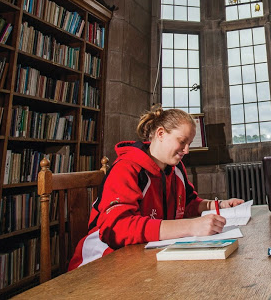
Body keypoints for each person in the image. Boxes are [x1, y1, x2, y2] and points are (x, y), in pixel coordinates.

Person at [69, 106, 243, 269]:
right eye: (182, 142)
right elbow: (117, 229)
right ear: (160, 133)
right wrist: (191, 227)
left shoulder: (176, 169)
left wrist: (218, 205)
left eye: (189, 143)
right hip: (103, 262)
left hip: (146, 255)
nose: (187, 150)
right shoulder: (127, 168)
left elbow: (187, 204)